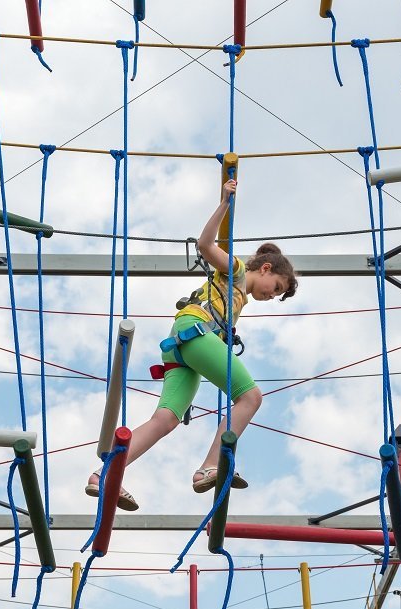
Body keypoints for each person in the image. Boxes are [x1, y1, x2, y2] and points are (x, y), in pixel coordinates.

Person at [85, 179, 298, 510]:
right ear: (266, 268)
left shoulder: (240, 294)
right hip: (195, 332)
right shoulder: (239, 272)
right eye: (276, 287)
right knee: (251, 397)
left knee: (166, 419)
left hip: (182, 344)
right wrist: (224, 204)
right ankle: (209, 466)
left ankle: (104, 475)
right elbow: (205, 245)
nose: (272, 295)